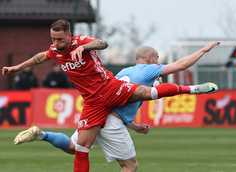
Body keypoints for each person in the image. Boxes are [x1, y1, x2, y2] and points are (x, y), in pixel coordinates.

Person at [2, 19, 218, 172]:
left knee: (75, 147)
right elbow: (40, 57)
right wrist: (17, 68)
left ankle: (43, 135)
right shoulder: (57, 50)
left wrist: (85, 46)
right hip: (97, 103)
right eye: (53, 39)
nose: (56, 44)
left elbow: (102, 43)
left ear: (69, 35)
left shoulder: (82, 43)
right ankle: (192, 89)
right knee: (107, 155)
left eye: (59, 39)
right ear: (151, 58)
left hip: (107, 91)